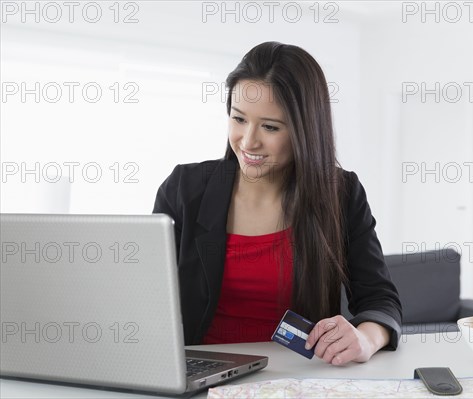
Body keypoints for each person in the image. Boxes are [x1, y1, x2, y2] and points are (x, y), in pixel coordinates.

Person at [153, 41, 402, 366]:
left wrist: (366, 338)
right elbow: (149, 298)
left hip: (299, 377)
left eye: (270, 127)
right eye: (239, 119)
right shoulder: (185, 189)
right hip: (201, 375)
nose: (249, 140)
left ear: (305, 130)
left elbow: (381, 300)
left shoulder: (341, 193)